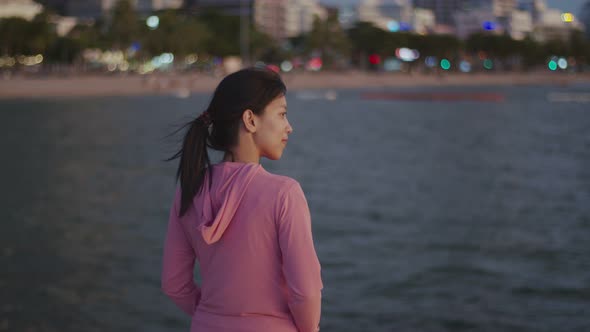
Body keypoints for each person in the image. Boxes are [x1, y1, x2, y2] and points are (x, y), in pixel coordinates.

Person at [161, 67, 323, 332]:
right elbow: (305, 291)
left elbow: (173, 284)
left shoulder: (189, 190)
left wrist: (214, 313)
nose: (289, 127)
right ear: (250, 120)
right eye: (282, 114)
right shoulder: (284, 193)